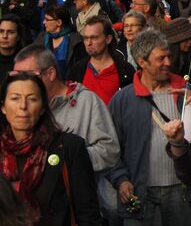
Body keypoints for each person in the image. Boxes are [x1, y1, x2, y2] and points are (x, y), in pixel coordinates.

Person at [13, 45, 121, 222]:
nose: (20, 83)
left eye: (27, 76)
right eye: (15, 77)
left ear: (51, 73)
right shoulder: (24, 109)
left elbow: (110, 150)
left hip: (76, 207)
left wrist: (70, 161)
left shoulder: (87, 102)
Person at [107, 29, 191, 225]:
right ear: (142, 62)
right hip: (138, 189)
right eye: (161, 58)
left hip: (180, 189)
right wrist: (121, 179)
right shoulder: (122, 100)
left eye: (169, 56)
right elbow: (111, 147)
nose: (168, 62)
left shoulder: (187, 93)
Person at [0, 73, 101, 225]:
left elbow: (87, 214)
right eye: (15, 98)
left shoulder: (68, 147)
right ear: (3, 107)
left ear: (42, 108)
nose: (23, 106)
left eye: (32, 99)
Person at [66, 16, 135, 105]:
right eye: (86, 38)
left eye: (94, 38)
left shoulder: (125, 70)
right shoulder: (77, 70)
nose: (89, 43)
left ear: (108, 39)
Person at [35, 5, 85, 79]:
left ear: (59, 22)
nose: (44, 22)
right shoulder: (41, 38)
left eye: (47, 19)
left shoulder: (76, 40)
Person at [0, 15, 25, 83]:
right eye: (1, 31)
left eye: (10, 32)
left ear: (18, 36)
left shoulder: (25, 62)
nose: (5, 36)